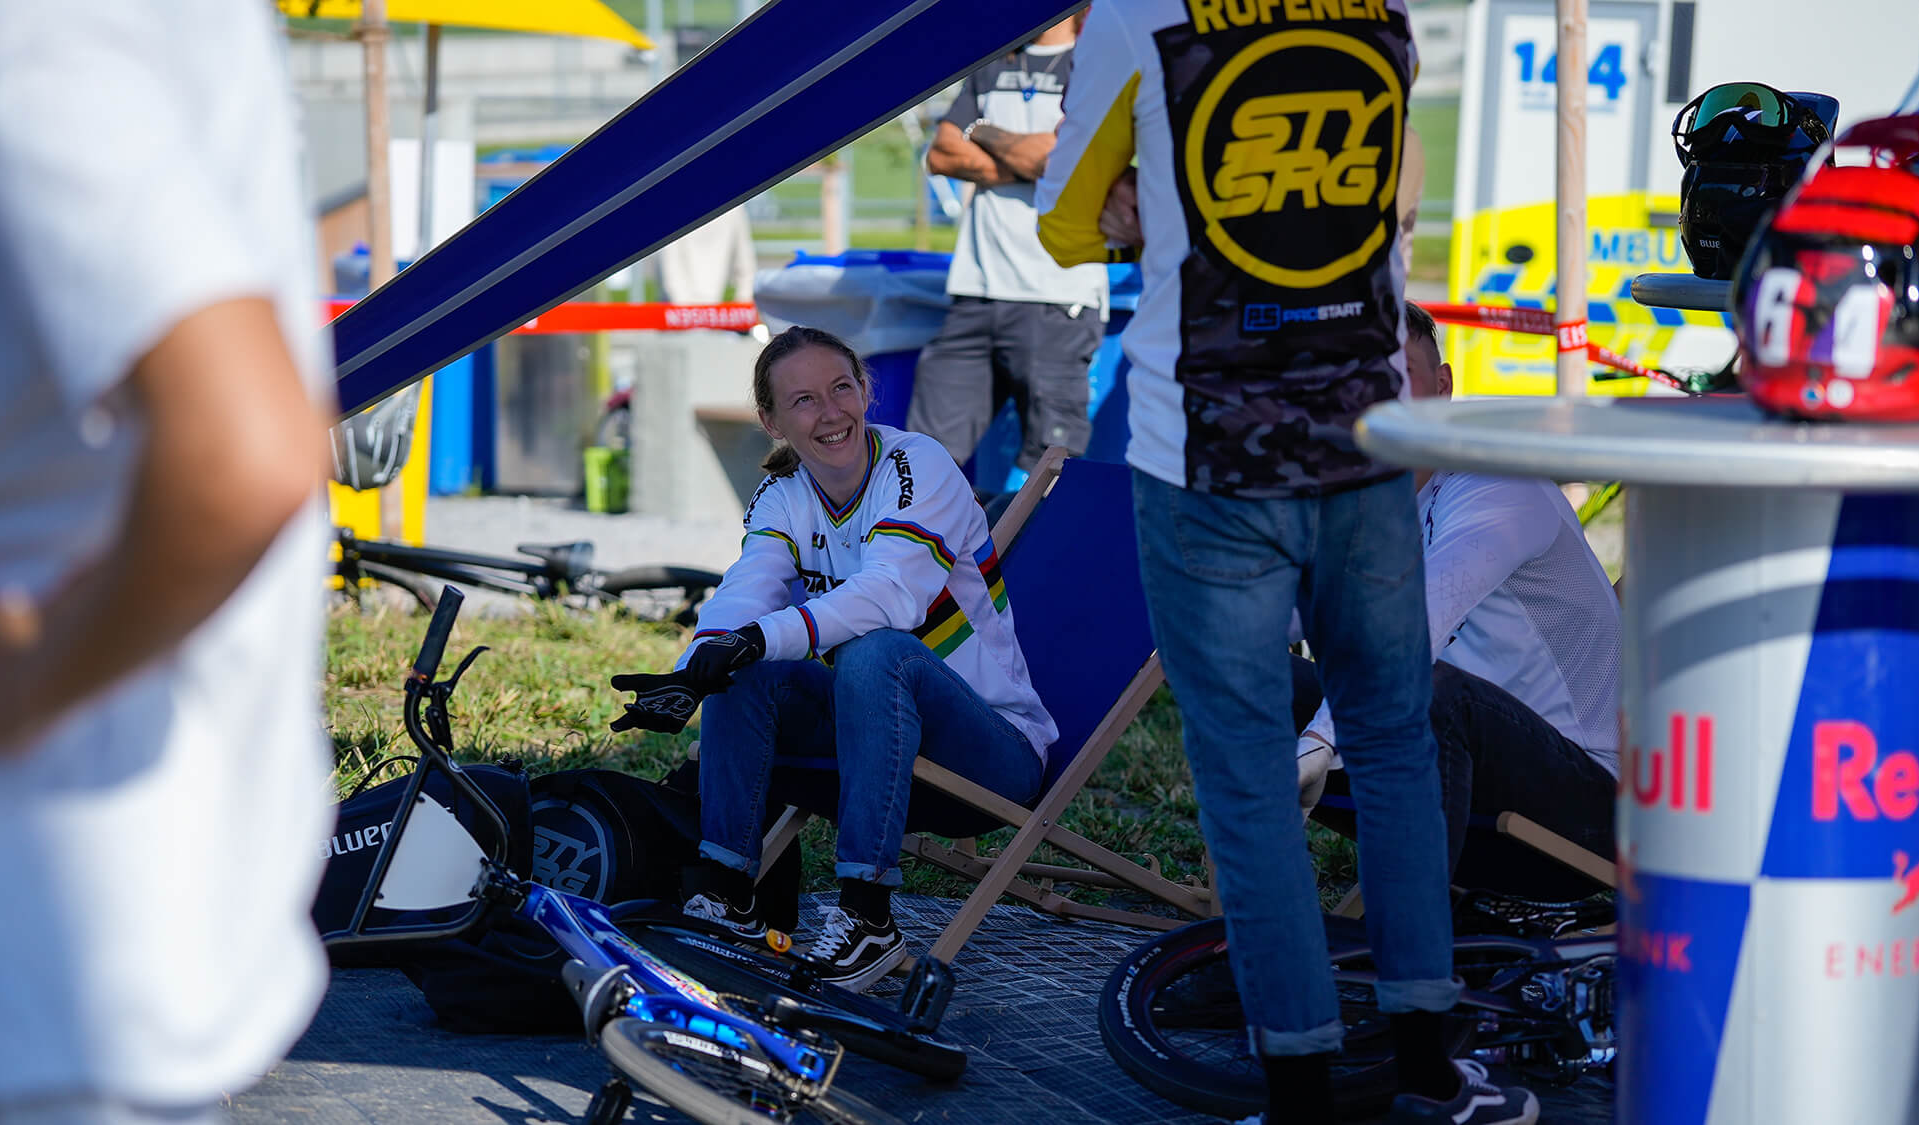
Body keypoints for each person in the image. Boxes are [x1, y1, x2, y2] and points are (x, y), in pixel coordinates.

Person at [1036, 3, 1537, 1124]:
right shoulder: (1383, 13)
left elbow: (1065, 225)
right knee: (1394, 751)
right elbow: (1398, 206)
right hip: (1362, 440)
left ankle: (1301, 1096)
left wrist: (1141, 209)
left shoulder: (1138, 12)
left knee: (1250, 780)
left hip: (1205, 460)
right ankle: (1429, 1075)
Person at [0, 1, 337, 1120]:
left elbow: (244, 447)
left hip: (33, 937)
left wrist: (27, 682)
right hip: (102, 938)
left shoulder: (25, 25)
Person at [609, 325, 1056, 992]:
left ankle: (869, 916)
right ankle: (730, 894)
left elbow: (891, 595)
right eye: (805, 400)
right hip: (875, 745)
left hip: (992, 758)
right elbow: (748, 589)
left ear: (866, 390)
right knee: (745, 662)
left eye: (841, 388)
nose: (831, 412)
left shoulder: (917, 465)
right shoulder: (783, 493)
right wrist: (698, 666)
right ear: (772, 420)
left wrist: (761, 636)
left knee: (876, 651)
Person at [1297, 304, 1623, 902]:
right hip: (1465, 785)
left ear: (1442, 387)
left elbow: (1418, 621)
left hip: (1588, 812)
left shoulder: (1497, 482)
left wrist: (1320, 738)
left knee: (1431, 687)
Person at [908, 13, 1111, 479]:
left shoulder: (1096, 60)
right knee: (923, 461)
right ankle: (942, 552)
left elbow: (1060, 157)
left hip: (1058, 298)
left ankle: (1011, 552)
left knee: (1050, 473)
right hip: (975, 293)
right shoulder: (989, 64)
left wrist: (978, 130)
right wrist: (1031, 160)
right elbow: (940, 154)